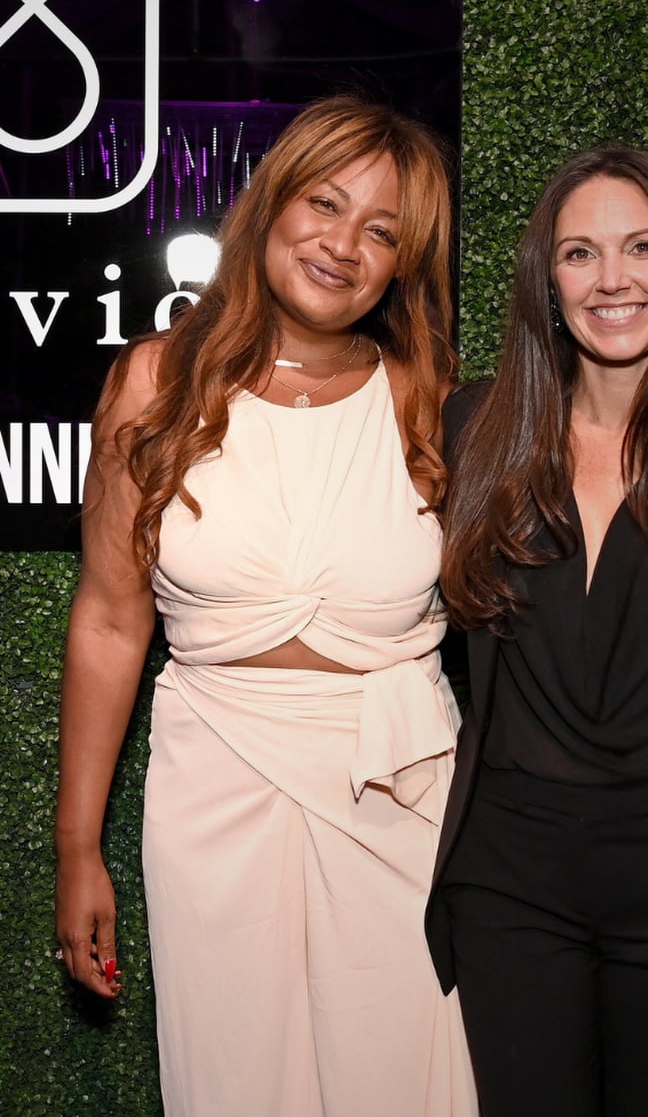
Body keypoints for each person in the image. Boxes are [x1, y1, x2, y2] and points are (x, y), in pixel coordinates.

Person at [55, 95, 478, 1117]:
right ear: (269, 204)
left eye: (380, 231)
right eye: (324, 204)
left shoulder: (433, 394)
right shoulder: (156, 384)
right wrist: (77, 847)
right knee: (238, 1085)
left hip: (403, 798)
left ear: (402, 263)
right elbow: (112, 622)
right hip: (215, 789)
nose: (342, 245)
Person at [426, 146, 648, 1116]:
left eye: (639, 246)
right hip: (511, 879)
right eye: (578, 254)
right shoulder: (477, 431)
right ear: (546, 279)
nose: (611, 278)